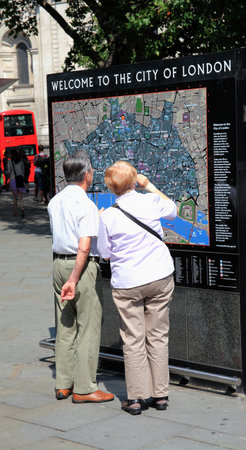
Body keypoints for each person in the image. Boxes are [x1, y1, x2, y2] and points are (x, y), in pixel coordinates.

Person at [97, 161, 177, 415]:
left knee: (133, 340)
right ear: (134, 181)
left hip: (128, 282)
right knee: (158, 335)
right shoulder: (150, 202)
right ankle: (161, 395)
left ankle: (136, 399)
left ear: (110, 187)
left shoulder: (107, 215)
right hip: (160, 276)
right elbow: (173, 210)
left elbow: (105, 253)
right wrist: (150, 186)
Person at [48, 150, 114, 404]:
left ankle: (63, 383)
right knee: (88, 325)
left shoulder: (55, 201)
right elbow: (84, 247)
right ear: (86, 175)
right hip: (80, 267)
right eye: (92, 171)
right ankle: (85, 388)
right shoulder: (85, 204)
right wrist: (74, 279)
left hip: (58, 264)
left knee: (65, 325)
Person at [7, 148, 26, 217]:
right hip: (20, 179)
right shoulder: (20, 161)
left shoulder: (10, 161)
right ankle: (22, 208)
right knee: (20, 197)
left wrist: (8, 180)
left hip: (13, 180)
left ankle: (15, 212)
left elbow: (9, 171)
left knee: (14, 197)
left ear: (11, 155)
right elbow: (23, 170)